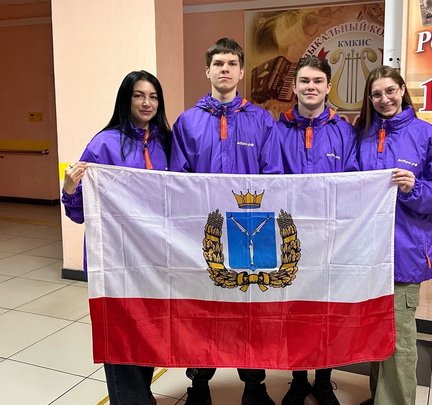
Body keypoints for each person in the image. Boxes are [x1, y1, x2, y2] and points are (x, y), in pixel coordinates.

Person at [170, 38, 283, 405]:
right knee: (202, 310)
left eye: (232, 63)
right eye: (218, 63)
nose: (225, 69)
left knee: (251, 312)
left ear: (240, 71)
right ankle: (199, 385)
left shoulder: (261, 120)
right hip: (204, 234)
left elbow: (274, 177)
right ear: (207, 70)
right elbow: (177, 180)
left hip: (252, 233)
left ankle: (254, 386)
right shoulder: (187, 122)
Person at [62, 70, 172, 405]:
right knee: (120, 333)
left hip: (154, 258)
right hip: (114, 259)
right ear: (126, 99)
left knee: (149, 330)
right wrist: (69, 188)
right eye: (139, 95)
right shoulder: (103, 144)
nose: (146, 103)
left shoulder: (167, 142)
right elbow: (79, 212)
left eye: (153, 96)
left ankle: (142, 395)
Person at [355, 66, 432, 405]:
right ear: (370, 99)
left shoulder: (426, 135)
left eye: (390, 91)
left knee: (399, 338)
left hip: (406, 250)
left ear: (402, 90)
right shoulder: (363, 135)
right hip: (369, 251)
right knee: (376, 332)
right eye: (376, 94)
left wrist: (415, 187)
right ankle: (379, 397)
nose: (384, 99)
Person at [275, 57, 358, 405]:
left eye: (318, 81)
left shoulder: (345, 131)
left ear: (328, 87)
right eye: (305, 81)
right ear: (294, 87)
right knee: (294, 310)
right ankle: (298, 379)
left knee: (328, 311)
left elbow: (354, 181)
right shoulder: (277, 130)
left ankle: (324, 379)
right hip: (290, 237)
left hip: (332, 239)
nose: (311, 87)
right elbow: (271, 179)